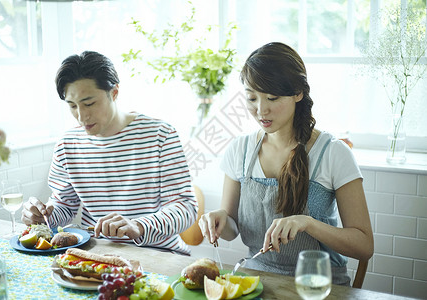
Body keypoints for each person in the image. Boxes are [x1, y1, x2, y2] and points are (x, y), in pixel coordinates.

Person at [198, 42, 373, 285]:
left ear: (298, 93)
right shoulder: (241, 149)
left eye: (272, 97)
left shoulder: (333, 153)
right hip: (256, 282)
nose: (261, 110)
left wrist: (308, 224)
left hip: (319, 286)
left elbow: (364, 247)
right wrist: (219, 219)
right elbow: (232, 229)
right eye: (251, 98)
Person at [21, 51, 198, 255]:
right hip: (96, 255)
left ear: (114, 92)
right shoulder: (67, 144)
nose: (81, 116)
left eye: (89, 103)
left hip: (158, 253)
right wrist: (42, 215)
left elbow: (185, 208)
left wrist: (138, 226)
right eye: (72, 106)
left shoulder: (160, 135)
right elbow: (65, 206)